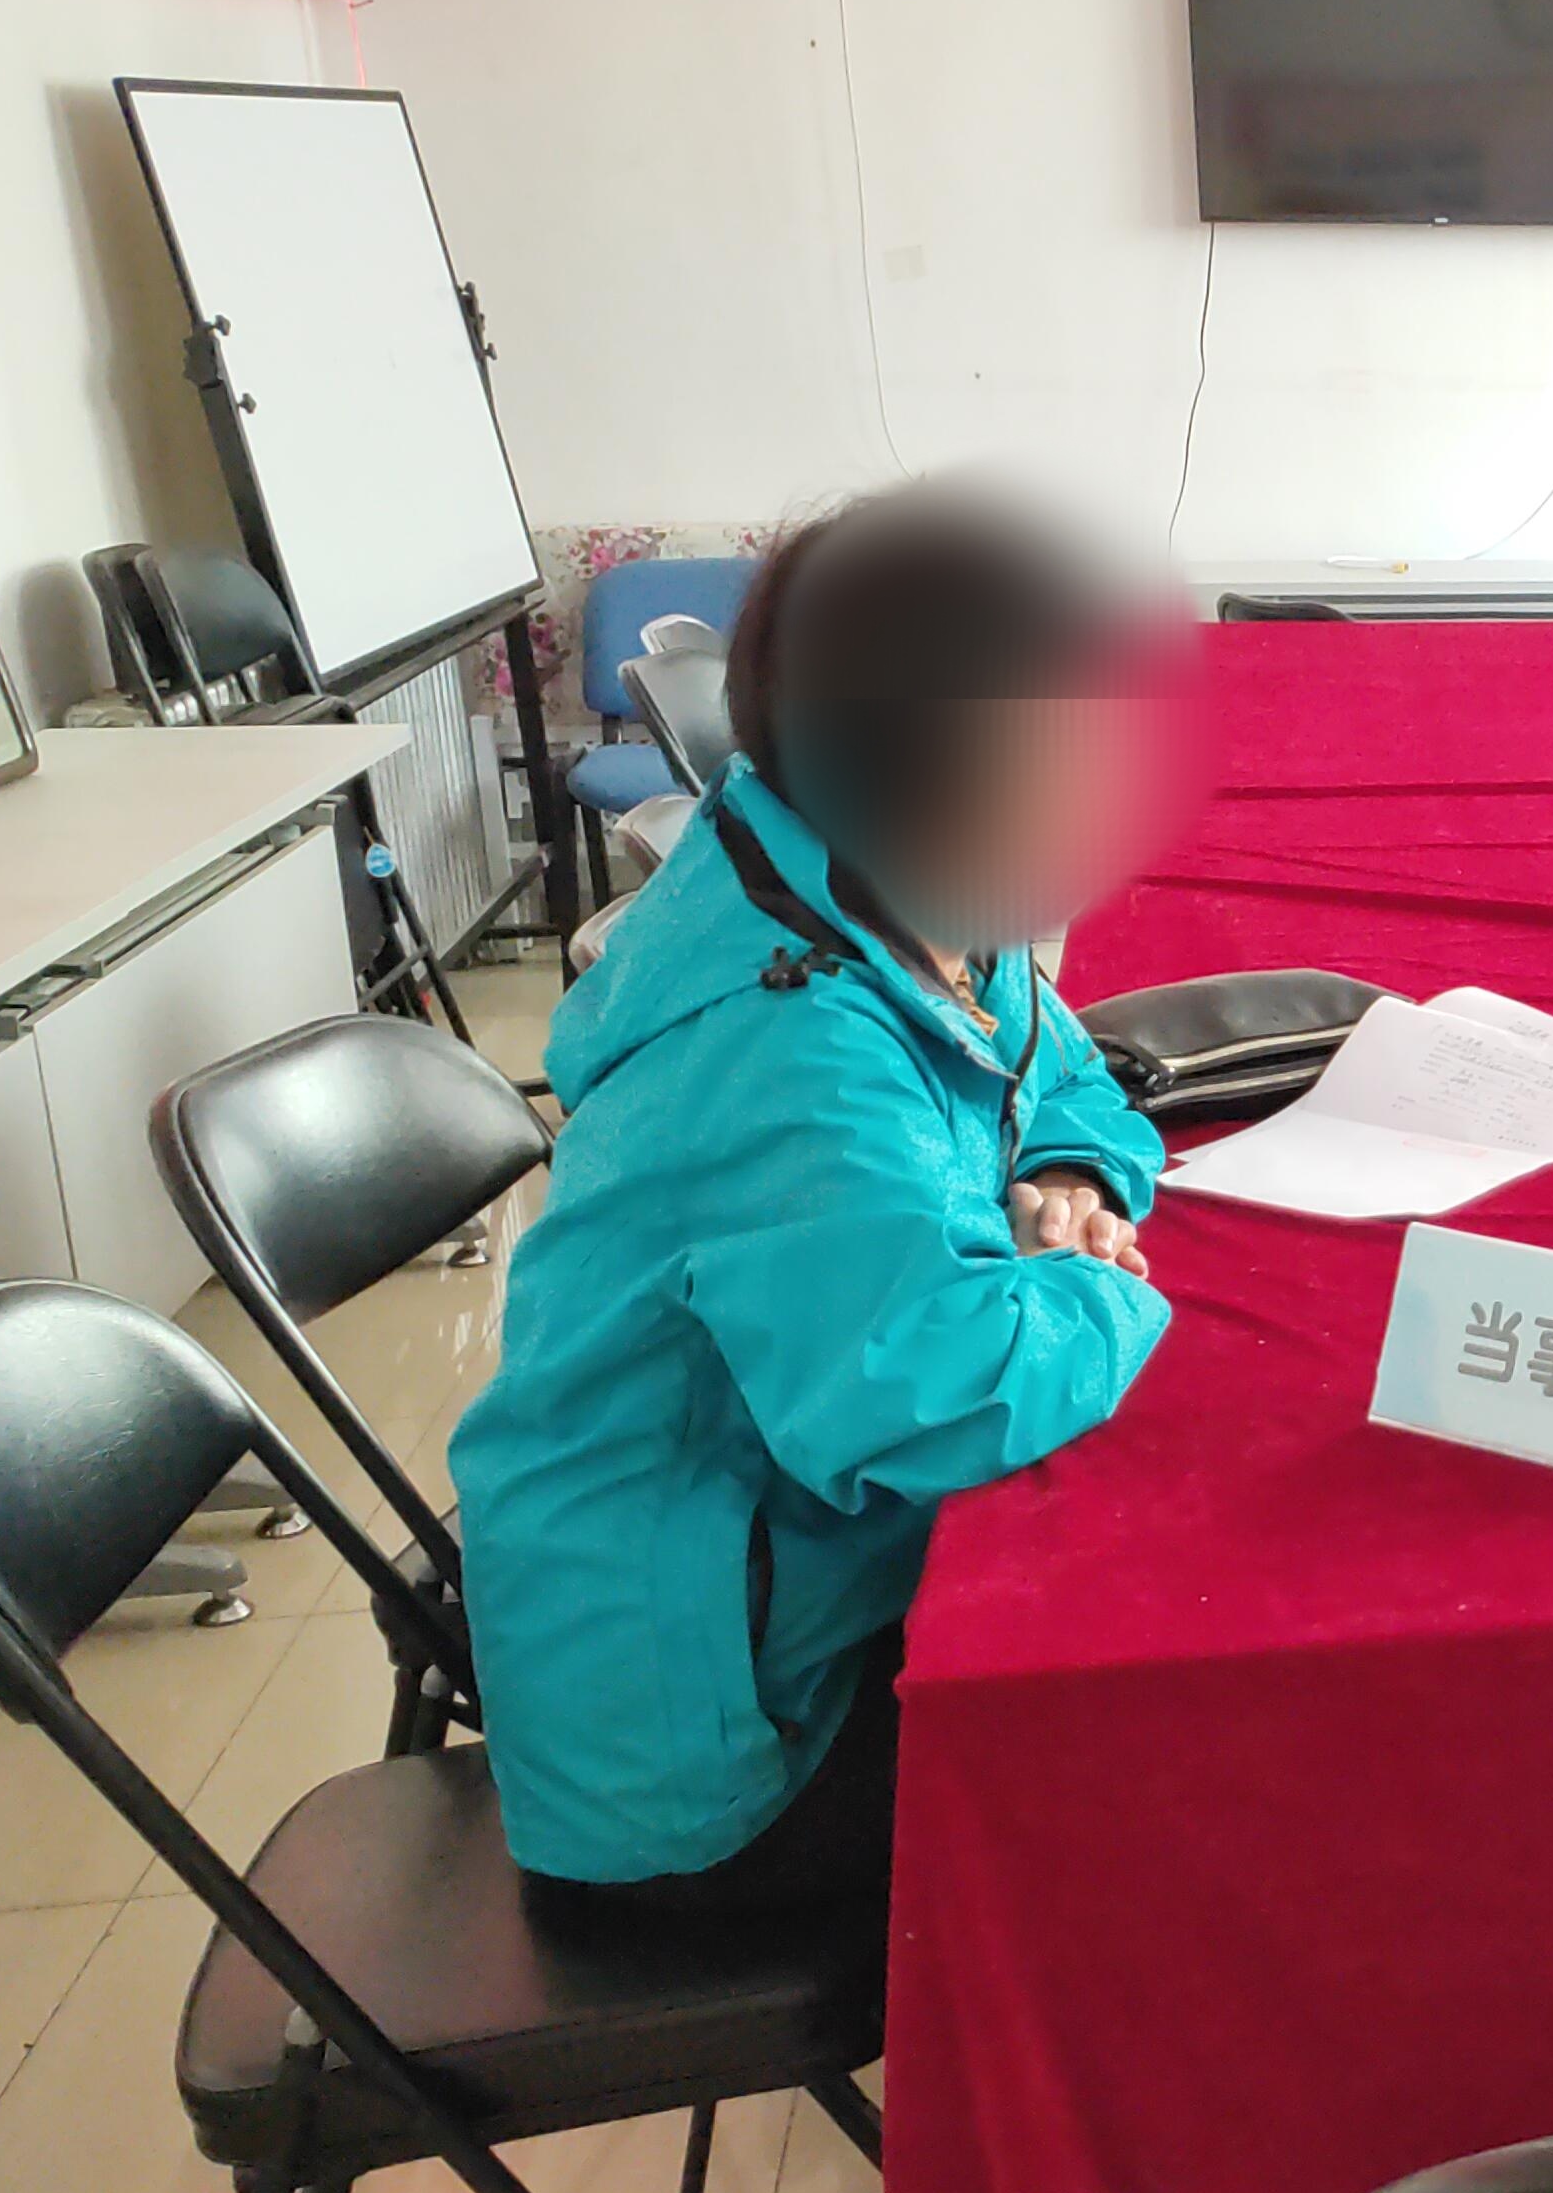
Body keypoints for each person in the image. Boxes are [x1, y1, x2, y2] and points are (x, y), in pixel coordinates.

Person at [450, 483, 1175, 1916]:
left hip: (793, 1584)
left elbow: (1062, 1069)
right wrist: (1102, 1287)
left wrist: (1068, 1177)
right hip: (698, 1749)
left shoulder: (881, 880)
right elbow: (930, 1398)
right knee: (1135, 1808)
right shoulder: (797, 1046)